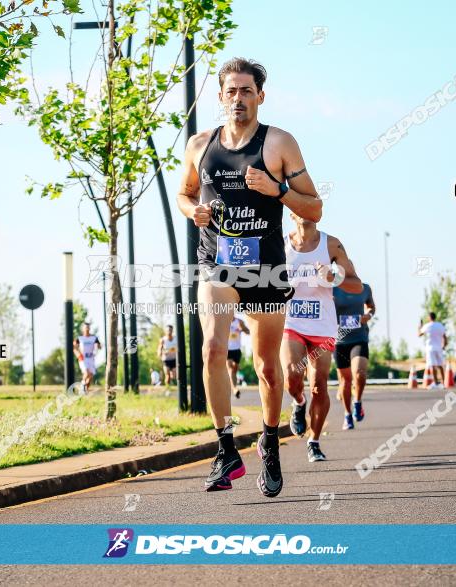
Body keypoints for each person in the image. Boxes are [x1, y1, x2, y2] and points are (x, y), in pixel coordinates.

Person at [177, 57, 322, 496]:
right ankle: (225, 449)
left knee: (267, 369)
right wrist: (194, 211)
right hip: (216, 262)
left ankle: (270, 441)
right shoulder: (200, 145)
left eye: (246, 90)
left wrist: (275, 189)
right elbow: (183, 194)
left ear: (260, 95)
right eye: (230, 90)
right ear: (219, 96)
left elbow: (314, 207)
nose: (238, 98)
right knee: (212, 349)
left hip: (266, 267)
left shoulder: (278, 143)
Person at [281, 212, 363, 462]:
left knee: (319, 386)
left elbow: (356, 285)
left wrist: (334, 277)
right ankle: (298, 401)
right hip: (292, 321)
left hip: (323, 326)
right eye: (301, 205)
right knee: (293, 376)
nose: (307, 212)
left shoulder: (332, 245)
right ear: (293, 213)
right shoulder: (281, 244)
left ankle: (314, 441)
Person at [334, 282, 375, 429]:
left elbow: (371, 307)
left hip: (359, 338)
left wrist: (368, 315)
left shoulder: (364, 288)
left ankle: (357, 401)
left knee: (359, 373)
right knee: (345, 382)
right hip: (339, 341)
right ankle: (347, 414)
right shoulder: (332, 289)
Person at [418, 312, 448, 389]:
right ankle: (444, 383)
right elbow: (445, 337)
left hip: (430, 348)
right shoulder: (440, 325)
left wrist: (419, 326)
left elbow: (419, 334)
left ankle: (435, 383)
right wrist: (444, 346)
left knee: (432, 365)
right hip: (439, 348)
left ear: (429, 317)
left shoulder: (427, 326)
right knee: (440, 365)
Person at [74, 323, 102, 393]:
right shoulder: (79, 338)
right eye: (85, 328)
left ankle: (84, 389)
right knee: (86, 372)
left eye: (88, 328)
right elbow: (74, 347)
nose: (87, 329)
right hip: (83, 358)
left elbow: (99, 346)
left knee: (91, 376)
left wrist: (98, 347)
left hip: (91, 358)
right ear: (83, 329)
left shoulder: (94, 338)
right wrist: (78, 355)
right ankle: (83, 387)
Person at [228, 316, 250, 398]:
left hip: (237, 349)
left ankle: (233, 386)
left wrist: (242, 329)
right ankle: (234, 389)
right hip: (228, 349)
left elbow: (248, 332)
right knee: (230, 369)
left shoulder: (239, 321)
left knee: (235, 369)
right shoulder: (224, 321)